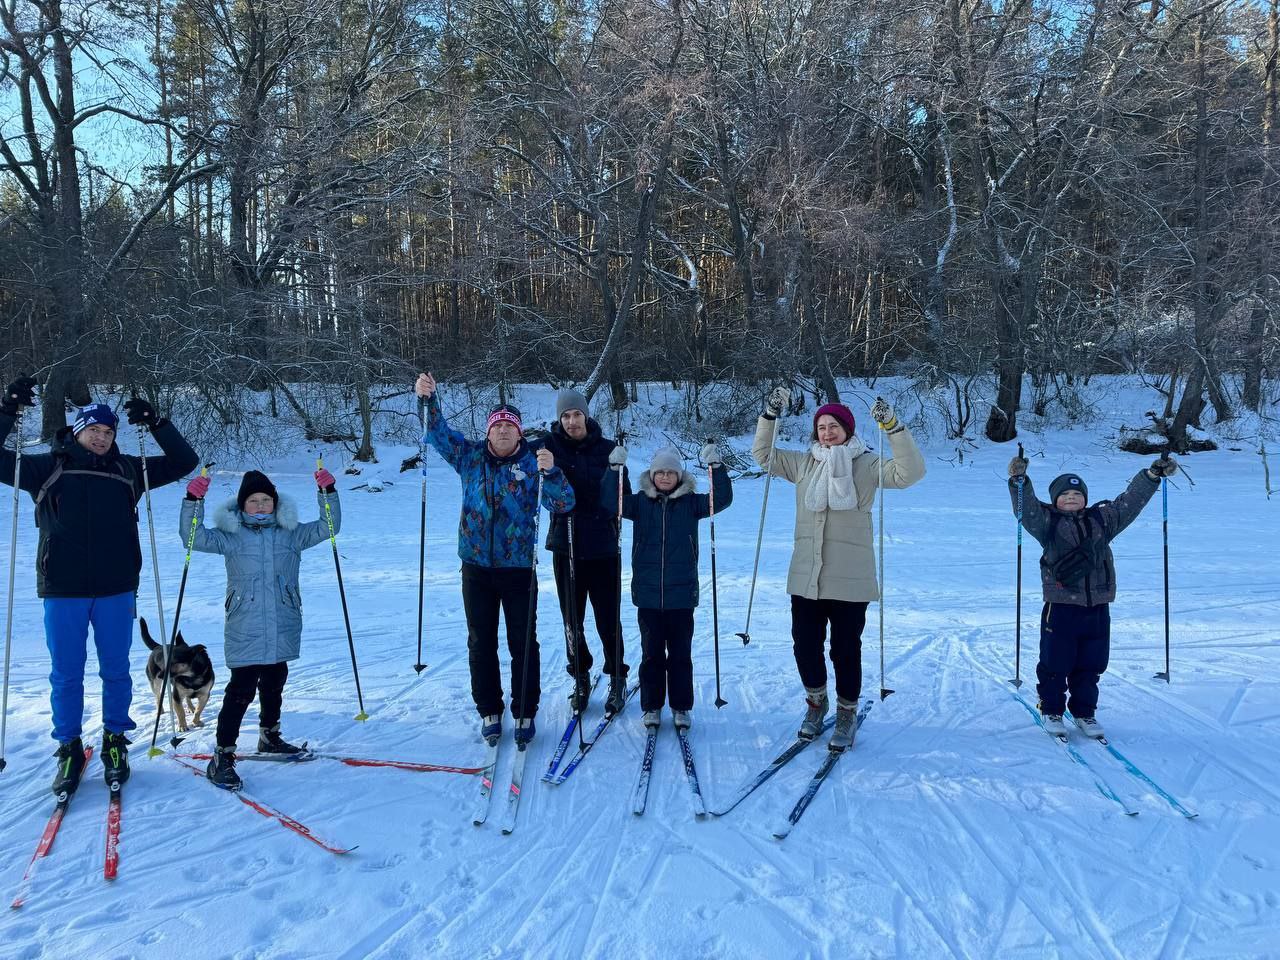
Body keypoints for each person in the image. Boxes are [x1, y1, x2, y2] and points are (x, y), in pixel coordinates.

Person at [0, 377, 198, 794]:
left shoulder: (128, 470)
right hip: (62, 588)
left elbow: (184, 461)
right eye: (94, 430)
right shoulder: (45, 468)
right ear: (78, 431)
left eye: (108, 432)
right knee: (66, 673)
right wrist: (6, 412)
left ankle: (114, 740)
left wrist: (158, 423)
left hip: (116, 587)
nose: (102, 438)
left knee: (116, 670)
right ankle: (68, 746)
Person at [752, 389, 924, 752]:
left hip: (851, 581)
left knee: (846, 651)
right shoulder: (803, 464)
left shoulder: (867, 464)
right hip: (806, 578)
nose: (827, 433)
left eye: (834, 426)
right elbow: (764, 455)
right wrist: (769, 417)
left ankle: (847, 711)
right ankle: (816, 703)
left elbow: (910, 473)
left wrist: (893, 427)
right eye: (822, 427)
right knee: (805, 646)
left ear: (847, 430)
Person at [415, 373, 574, 744]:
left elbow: (565, 502)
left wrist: (551, 472)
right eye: (497, 425)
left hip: (519, 569)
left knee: (523, 641)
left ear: (520, 434)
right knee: (480, 640)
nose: (503, 430)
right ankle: (489, 708)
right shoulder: (470, 457)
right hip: (476, 569)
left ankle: (524, 711)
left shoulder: (534, 463)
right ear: (488, 432)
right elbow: (437, 432)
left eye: (510, 426)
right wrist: (428, 399)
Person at [181, 467, 339, 790]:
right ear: (242, 506)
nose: (260, 506)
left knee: (275, 680)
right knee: (240, 690)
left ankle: (270, 735)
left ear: (275, 503)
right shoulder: (231, 536)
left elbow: (329, 527)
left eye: (266, 500)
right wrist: (192, 501)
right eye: (253, 500)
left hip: (282, 622)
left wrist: (328, 495)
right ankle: (222, 756)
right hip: (245, 625)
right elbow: (192, 537)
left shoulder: (290, 533)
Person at [1008, 452, 1177, 738]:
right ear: (1055, 499)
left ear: (1085, 497)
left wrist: (1150, 476)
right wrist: (1019, 481)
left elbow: (1129, 503)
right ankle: (1051, 709)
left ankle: (1085, 712)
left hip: (1097, 607)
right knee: (1055, 662)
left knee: (1091, 664)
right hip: (1060, 607)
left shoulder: (1103, 520)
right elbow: (1028, 511)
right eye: (1065, 494)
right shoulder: (1047, 523)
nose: (1071, 498)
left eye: (1077, 493)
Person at [602, 443, 731, 731]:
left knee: (681, 655)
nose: (664, 477)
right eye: (659, 472)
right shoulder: (638, 503)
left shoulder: (691, 503)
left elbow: (720, 499)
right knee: (651, 655)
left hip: (682, 596)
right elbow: (611, 502)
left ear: (679, 476)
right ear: (651, 474)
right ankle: (651, 706)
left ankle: (681, 706)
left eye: (670, 472)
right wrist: (614, 470)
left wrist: (717, 468)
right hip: (647, 596)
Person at [531, 389, 627, 716]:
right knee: (573, 618)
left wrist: (618, 473)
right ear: (559, 419)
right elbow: (512, 454)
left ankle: (616, 677)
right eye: (565, 416)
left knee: (608, 618)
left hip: (602, 546)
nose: (572, 421)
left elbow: (622, 499)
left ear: (586, 415)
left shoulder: (608, 449)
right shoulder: (548, 447)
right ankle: (581, 676)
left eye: (576, 414)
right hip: (566, 545)